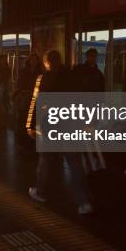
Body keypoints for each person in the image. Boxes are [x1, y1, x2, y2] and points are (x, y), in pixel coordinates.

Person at [28, 50, 93, 215]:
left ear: (47, 62)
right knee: (75, 163)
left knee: (45, 160)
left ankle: (41, 192)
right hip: (71, 125)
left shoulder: (43, 79)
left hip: (50, 125)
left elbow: (36, 102)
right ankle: (83, 202)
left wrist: (30, 124)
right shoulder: (74, 77)